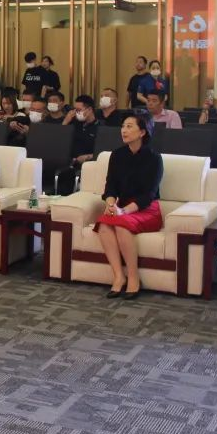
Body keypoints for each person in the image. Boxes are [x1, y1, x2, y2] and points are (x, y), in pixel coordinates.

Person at [95, 113, 164, 299]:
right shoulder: (117, 155)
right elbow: (110, 186)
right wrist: (111, 204)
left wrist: (123, 211)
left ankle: (134, 277)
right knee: (104, 225)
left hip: (146, 209)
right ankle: (119, 276)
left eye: (129, 126)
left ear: (142, 132)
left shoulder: (154, 158)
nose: (124, 130)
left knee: (121, 225)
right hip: (122, 206)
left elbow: (148, 195)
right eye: (123, 126)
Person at [65, 95, 100, 165]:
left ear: (89, 109)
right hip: (69, 163)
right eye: (75, 110)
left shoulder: (100, 127)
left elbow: (104, 151)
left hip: (89, 164)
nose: (76, 113)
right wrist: (65, 121)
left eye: (79, 110)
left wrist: (89, 156)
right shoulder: (73, 123)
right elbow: (59, 140)